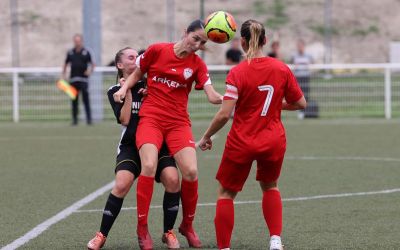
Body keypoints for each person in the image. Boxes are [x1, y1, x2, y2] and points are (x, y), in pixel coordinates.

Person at [113, 20, 223, 249]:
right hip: (151, 119)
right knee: (149, 166)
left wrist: (227, 97)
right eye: (195, 39)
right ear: (185, 33)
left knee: (191, 172)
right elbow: (137, 73)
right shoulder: (157, 50)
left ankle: (187, 226)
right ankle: (142, 229)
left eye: (202, 42)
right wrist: (124, 88)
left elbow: (212, 95)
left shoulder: (198, 65)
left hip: (178, 123)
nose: (197, 45)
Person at [198, 19, 307, 250]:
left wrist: (206, 136)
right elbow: (300, 103)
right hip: (273, 140)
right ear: (265, 41)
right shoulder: (281, 68)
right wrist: (277, 106)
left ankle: (224, 247)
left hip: (242, 141)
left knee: (226, 193)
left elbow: (224, 115)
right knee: (270, 186)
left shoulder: (237, 72)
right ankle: (275, 240)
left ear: (243, 43)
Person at [87, 47, 181, 250]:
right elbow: (125, 119)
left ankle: (168, 232)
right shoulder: (114, 91)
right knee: (121, 184)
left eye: (137, 57)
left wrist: (153, 93)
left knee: (173, 180)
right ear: (120, 65)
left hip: (158, 143)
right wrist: (127, 91)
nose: (136, 59)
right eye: (131, 57)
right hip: (131, 146)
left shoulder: (151, 85)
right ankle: (101, 234)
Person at [62, 34, 95, 125]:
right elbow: (66, 64)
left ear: (81, 41)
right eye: (75, 41)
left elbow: (92, 64)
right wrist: (64, 75)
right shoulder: (70, 52)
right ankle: (74, 120)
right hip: (73, 80)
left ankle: (89, 120)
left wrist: (89, 71)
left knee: (86, 100)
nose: (77, 42)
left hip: (83, 80)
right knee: (74, 101)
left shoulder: (87, 51)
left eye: (79, 41)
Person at [290, 39, 313, 118]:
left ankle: (306, 111)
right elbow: (292, 64)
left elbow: (313, 65)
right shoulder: (294, 55)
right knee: (298, 95)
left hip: (306, 77)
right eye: (298, 46)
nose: (300, 48)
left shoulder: (309, 55)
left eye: (301, 46)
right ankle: (300, 111)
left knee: (306, 95)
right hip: (298, 78)